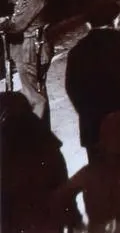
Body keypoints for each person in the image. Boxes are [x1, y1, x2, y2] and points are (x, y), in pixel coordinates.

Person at [65, 0, 120, 164]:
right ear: (115, 21)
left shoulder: (77, 52)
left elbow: (72, 89)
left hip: (94, 129)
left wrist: (88, 114)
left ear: (88, 25)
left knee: (101, 174)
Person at [1, 91, 81, 233]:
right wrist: (73, 217)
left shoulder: (7, 149)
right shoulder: (48, 144)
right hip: (48, 219)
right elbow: (62, 182)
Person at [0, 0, 53, 125]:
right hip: (31, 48)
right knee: (37, 91)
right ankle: (42, 131)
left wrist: (4, 23)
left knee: (34, 97)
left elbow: (17, 25)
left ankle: (36, 134)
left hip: (32, 50)